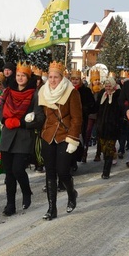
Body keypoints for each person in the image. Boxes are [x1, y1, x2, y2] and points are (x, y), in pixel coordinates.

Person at [29, 61, 82, 220]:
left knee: (63, 171)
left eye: (56, 77)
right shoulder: (43, 91)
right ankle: (52, 208)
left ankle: (71, 193)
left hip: (64, 135)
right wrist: (33, 118)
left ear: (62, 77)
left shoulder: (72, 93)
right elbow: (40, 114)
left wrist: (73, 139)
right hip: (47, 135)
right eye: (50, 77)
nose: (52, 80)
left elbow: (77, 119)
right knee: (50, 172)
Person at [0, 62, 38, 216]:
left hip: (23, 137)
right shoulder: (8, 91)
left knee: (18, 169)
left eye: (23, 76)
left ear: (28, 78)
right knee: (9, 173)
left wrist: (21, 122)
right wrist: (4, 120)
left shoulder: (34, 94)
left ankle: (26, 191)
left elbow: (39, 117)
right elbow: (1, 109)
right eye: (18, 75)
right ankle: (10, 204)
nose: (20, 78)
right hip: (7, 136)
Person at [95, 77, 121, 178]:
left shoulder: (117, 95)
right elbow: (97, 107)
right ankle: (106, 163)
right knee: (104, 149)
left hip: (112, 127)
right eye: (106, 86)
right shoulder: (102, 94)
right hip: (101, 127)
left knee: (109, 149)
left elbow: (120, 109)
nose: (108, 88)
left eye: (110, 86)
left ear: (114, 86)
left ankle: (106, 171)